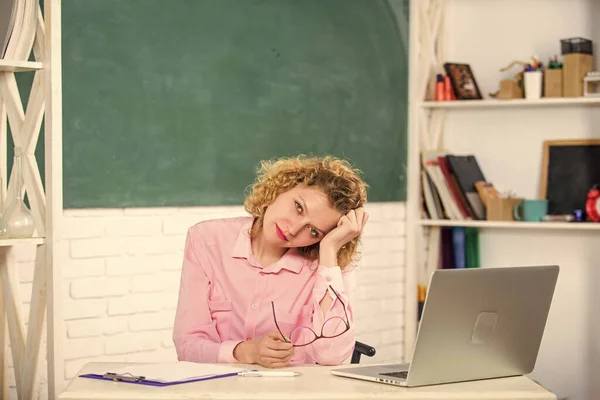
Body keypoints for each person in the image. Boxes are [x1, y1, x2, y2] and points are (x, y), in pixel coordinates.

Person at [173, 155, 368, 368]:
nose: (292, 229)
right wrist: (245, 351)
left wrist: (330, 250)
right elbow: (187, 347)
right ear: (283, 187)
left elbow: (332, 356)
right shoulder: (207, 240)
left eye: (313, 231)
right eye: (298, 207)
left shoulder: (329, 265)